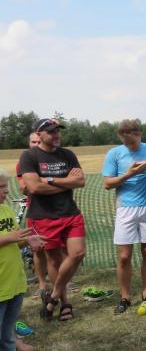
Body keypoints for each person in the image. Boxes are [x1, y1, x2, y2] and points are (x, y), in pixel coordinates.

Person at [102, 119, 146, 315]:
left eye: (132, 142)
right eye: (126, 142)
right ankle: (125, 297)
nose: (130, 146)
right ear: (121, 138)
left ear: (139, 135)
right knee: (124, 256)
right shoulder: (114, 154)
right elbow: (107, 184)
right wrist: (128, 174)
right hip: (125, 209)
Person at [18, 119, 86, 322]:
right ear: (39, 135)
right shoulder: (29, 156)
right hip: (43, 216)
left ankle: (53, 297)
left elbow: (80, 181)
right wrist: (66, 183)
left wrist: (48, 180)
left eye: (57, 131)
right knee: (54, 260)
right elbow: (34, 188)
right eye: (51, 132)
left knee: (78, 253)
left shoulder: (67, 154)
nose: (56, 135)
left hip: (70, 213)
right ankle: (65, 303)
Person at [0, 168, 44, 351]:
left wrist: (28, 240)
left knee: (6, 335)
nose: (6, 191)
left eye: (6, 186)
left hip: (13, 284)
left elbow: (16, 241)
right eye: (1, 187)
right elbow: (9, 238)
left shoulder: (6, 210)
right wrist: (9, 237)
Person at [16, 132, 49, 297]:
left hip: (58, 210)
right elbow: (25, 188)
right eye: (33, 142)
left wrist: (38, 183)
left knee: (61, 248)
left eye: (39, 141)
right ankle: (42, 284)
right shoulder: (24, 162)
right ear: (29, 143)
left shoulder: (52, 160)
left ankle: (62, 281)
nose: (36, 145)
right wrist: (50, 183)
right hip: (36, 210)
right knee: (38, 248)